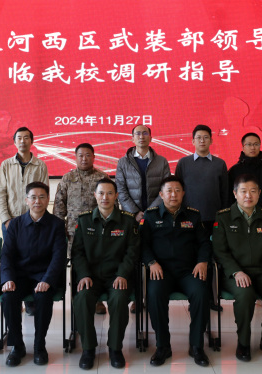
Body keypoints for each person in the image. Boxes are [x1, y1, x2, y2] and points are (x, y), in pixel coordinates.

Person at [212, 174, 262, 362]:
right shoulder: (223, 217)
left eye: (253, 191)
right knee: (245, 295)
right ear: (235, 193)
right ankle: (243, 343)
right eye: (243, 191)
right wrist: (236, 272)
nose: (248, 196)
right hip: (234, 274)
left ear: (259, 193)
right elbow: (220, 251)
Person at [140, 176, 212, 367]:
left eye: (177, 190)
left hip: (188, 271)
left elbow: (204, 243)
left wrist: (202, 261)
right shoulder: (151, 216)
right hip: (161, 271)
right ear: (161, 194)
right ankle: (163, 346)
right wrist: (151, 263)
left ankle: (196, 346)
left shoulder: (193, 216)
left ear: (183, 193)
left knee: (201, 293)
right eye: (169, 191)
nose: (173, 194)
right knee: (154, 295)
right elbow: (142, 245)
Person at [72, 179, 140, 370]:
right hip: (91, 277)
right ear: (95, 195)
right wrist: (83, 274)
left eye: (110, 193)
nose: (105, 197)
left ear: (116, 196)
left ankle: (115, 348)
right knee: (82, 298)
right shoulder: (84, 220)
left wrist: (122, 274)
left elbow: (132, 252)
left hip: (116, 276)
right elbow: (77, 252)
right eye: (101, 193)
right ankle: (88, 349)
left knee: (119, 299)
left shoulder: (127, 221)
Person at [0, 182, 67, 367]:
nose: (37, 201)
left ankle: (39, 346)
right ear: (26, 200)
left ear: (48, 199)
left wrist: (47, 280)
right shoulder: (15, 224)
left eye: (42, 197)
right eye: (33, 197)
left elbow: (59, 257)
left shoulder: (57, 224)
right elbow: (6, 255)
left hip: (44, 276)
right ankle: (17, 346)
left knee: (43, 297)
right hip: (19, 275)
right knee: (8, 297)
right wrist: (8, 279)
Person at [116, 124, 170, 313]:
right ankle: (137, 298)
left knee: (153, 255)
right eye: (137, 134)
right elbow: (121, 190)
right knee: (133, 257)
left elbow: (165, 188)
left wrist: (149, 213)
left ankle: (152, 296)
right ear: (132, 139)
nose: (141, 136)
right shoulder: (123, 162)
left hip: (156, 217)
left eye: (145, 133)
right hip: (131, 218)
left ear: (151, 138)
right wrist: (136, 212)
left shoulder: (161, 161)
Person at [0, 126, 49, 316]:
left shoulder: (40, 165)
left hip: (33, 221)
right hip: (11, 221)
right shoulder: (6, 165)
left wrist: (37, 218)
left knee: (32, 257)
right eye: (19, 138)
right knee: (12, 258)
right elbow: (1, 194)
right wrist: (6, 219)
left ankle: (31, 300)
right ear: (14, 141)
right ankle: (14, 297)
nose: (23, 141)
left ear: (31, 141)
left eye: (26, 137)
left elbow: (43, 194)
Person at [54, 142, 110, 315]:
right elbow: (59, 205)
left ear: (94, 157)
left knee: (97, 263)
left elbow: (110, 204)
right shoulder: (67, 178)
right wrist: (60, 229)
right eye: (80, 155)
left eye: (88, 155)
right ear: (75, 157)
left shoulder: (102, 178)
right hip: (73, 232)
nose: (84, 159)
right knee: (77, 265)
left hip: (97, 231)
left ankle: (98, 300)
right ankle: (79, 298)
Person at [175, 124, 228, 238]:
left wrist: (223, 215)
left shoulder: (220, 164)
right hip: (188, 217)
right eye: (198, 137)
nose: (202, 140)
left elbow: (225, 192)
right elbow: (177, 190)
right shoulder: (183, 163)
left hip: (213, 217)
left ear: (211, 141)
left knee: (213, 246)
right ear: (193, 141)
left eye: (206, 137)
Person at [227, 132, 262, 224]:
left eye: (256, 144)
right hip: (240, 220)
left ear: (260, 146)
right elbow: (229, 198)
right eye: (249, 144)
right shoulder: (234, 170)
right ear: (243, 147)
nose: (253, 148)